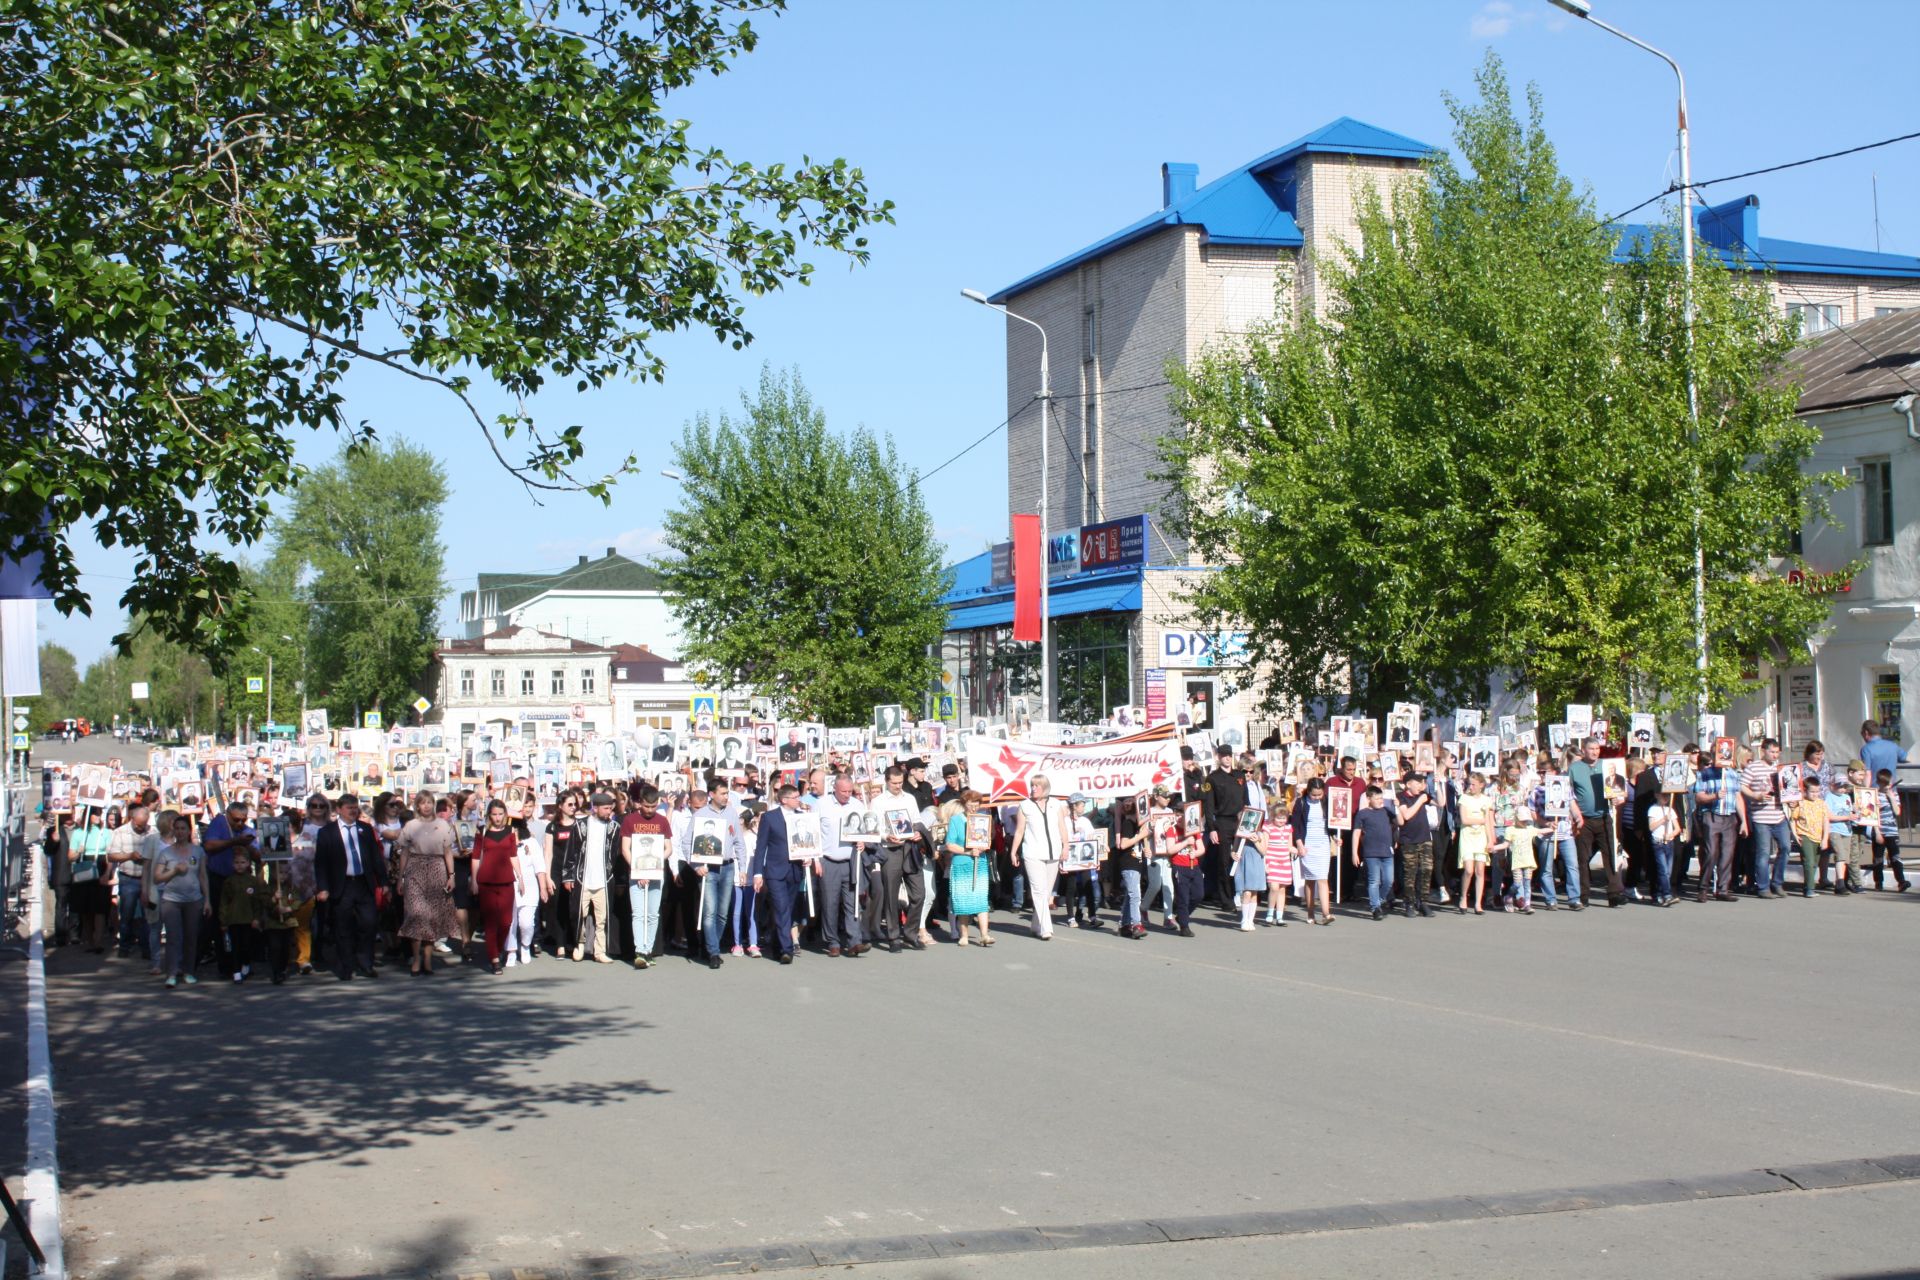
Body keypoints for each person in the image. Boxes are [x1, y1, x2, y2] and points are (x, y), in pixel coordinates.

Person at [313, 794, 389, 981]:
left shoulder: (365, 829)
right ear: (339, 809)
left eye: (355, 808)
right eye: (349, 808)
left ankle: (366, 963)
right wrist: (322, 887)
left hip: (363, 883)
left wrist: (383, 882)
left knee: (369, 924)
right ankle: (346, 966)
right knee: (343, 927)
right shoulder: (327, 832)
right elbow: (320, 863)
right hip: (342, 885)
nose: (353, 811)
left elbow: (375, 857)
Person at [396, 790, 458, 976]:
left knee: (431, 917)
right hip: (415, 869)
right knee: (416, 915)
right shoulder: (411, 825)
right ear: (417, 806)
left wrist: (451, 875)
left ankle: (428, 959)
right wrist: (401, 877)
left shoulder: (442, 825)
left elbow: (448, 852)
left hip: (437, 869)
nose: (426, 806)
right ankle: (416, 958)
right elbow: (405, 852)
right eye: (422, 803)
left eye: (429, 802)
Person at [684, 784, 746, 968]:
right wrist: (695, 866)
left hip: (727, 867)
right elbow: (687, 843)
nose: (727, 796)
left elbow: (739, 842)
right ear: (712, 794)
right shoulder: (700, 815)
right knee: (709, 912)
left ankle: (712, 946)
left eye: (727, 793)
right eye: (723, 793)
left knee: (722, 914)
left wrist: (742, 868)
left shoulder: (731, 813)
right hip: (708, 868)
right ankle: (713, 952)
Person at [749, 784, 811, 964]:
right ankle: (787, 949)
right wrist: (757, 873)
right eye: (796, 797)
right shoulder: (770, 818)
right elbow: (761, 847)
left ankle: (777, 945)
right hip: (775, 871)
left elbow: (808, 842)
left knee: (786, 910)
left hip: (794, 871)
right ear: (785, 800)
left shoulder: (802, 817)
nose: (799, 800)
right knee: (782, 907)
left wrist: (808, 857)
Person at [621, 785, 676, 968]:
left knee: (653, 914)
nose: (650, 810)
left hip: (656, 873)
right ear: (639, 803)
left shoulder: (662, 821)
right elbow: (625, 849)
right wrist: (638, 871)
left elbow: (668, 848)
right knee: (638, 913)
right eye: (646, 806)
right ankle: (639, 951)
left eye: (653, 806)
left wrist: (654, 865)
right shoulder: (630, 820)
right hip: (636, 874)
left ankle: (648, 950)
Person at [810, 773, 865, 957]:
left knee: (852, 903)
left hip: (850, 861)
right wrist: (816, 859)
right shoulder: (821, 805)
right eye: (843, 791)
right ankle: (833, 941)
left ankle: (854, 941)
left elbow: (867, 831)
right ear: (835, 788)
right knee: (830, 903)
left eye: (850, 791)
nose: (847, 795)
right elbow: (813, 832)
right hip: (828, 861)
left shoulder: (858, 805)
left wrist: (863, 842)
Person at [153, 814, 209, 988]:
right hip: (171, 900)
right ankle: (171, 973)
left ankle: (189, 971)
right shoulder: (166, 852)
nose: (180, 832)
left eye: (183, 828)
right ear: (173, 830)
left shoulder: (198, 851)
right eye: (177, 828)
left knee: (191, 937)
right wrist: (174, 871)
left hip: (193, 900)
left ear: (189, 831)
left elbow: (202, 876)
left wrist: (207, 900)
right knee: (173, 938)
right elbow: (157, 878)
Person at [200, 800, 256, 973]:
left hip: (241, 881)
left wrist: (245, 844)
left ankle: (243, 963)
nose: (239, 823)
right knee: (220, 922)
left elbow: (259, 855)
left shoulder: (247, 832)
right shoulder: (219, 823)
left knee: (242, 924)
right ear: (228, 816)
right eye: (236, 820)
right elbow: (209, 845)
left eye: (243, 820)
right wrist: (233, 841)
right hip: (219, 879)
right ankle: (225, 963)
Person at [1011, 775, 1070, 940]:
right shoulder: (1024, 806)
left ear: (1045, 787)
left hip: (1053, 853)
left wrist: (1065, 846)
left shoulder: (1055, 804)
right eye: (1032, 785)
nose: (1033, 788)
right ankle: (1046, 927)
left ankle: (1036, 924)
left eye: (1037, 786)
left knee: (1045, 891)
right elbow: (1019, 831)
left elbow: (1062, 827)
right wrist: (1013, 851)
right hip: (1033, 853)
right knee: (1038, 890)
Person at [471, 799, 520, 972]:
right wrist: (475, 881)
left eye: (500, 814)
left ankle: (497, 950)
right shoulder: (482, 832)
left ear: (505, 815)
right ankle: (493, 958)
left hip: (507, 880)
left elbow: (513, 856)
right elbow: (476, 857)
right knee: (491, 922)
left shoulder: (510, 831)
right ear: (489, 815)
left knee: (506, 922)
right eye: (494, 814)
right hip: (486, 881)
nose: (498, 818)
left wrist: (520, 877)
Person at [1740, 738, 1792, 899]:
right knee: (1763, 852)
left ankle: (1777, 883)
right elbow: (1742, 786)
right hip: (1761, 816)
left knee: (1785, 847)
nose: (1775, 755)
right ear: (1763, 751)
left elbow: (1791, 785)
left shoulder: (1780, 768)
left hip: (1779, 814)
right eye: (1772, 752)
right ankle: (1763, 886)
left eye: (1777, 752)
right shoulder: (1753, 767)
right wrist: (1755, 795)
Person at [107, 803, 159, 959]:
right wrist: (130, 855)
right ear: (132, 819)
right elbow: (112, 855)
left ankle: (146, 947)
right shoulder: (120, 832)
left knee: (147, 915)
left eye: (144, 824)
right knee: (127, 914)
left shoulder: (153, 832)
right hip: (128, 877)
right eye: (139, 825)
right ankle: (124, 946)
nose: (142, 827)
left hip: (147, 878)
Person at [943, 791, 995, 946]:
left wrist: (984, 847)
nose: (974, 807)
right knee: (963, 900)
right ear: (964, 804)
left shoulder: (983, 819)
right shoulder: (955, 820)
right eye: (970, 804)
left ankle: (984, 934)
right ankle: (964, 935)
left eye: (976, 804)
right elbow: (950, 844)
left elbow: (988, 840)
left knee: (980, 898)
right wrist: (967, 851)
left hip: (979, 863)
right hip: (961, 863)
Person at [1691, 749, 1744, 903]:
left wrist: (1744, 822)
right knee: (1711, 853)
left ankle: (1723, 889)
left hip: (1729, 816)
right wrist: (1714, 796)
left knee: (1727, 854)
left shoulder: (1733, 774)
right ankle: (1703, 888)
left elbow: (1738, 797)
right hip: (1711, 815)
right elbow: (1699, 796)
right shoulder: (1705, 774)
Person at [218, 849, 269, 982]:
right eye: (236, 862)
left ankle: (246, 965)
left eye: (242, 862)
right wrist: (223, 921)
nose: (239, 865)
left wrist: (257, 918)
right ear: (232, 864)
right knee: (235, 946)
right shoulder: (229, 881)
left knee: (246, 945)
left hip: (248, 919)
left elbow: (257, 902)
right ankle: (236, 971)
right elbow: (224, 902)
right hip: (233, 919)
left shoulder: (252, 881)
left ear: (248, 864)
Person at [68, 807, 114, 954]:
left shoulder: (105, 833)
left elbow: (110, 855)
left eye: (100, 814)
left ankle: (99, 940)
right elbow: (70, 857)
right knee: (85, 908)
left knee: (99, 907)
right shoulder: (78, 833)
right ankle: (89, 941)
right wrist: (78, 852)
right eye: (95, 814)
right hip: (84, 869)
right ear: (88, 815)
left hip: (100, 866)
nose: (98, 817)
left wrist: (107, 873)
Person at [1394, 773, 1436, 919]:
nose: (1419, 785)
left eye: (1421, 782)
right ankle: (1409, 903)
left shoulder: (1423, 795)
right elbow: (1406, 816)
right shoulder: (1401, 797)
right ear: (1408, 784)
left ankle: (1423, 901)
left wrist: (1440, 784)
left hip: (1425, 838)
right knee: (1410, 873)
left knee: (1427, 869)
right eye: (1416, 782)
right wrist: (1420, 801)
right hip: (1409, 840)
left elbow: (1441, 803)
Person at [1351, 785, 1395, 921]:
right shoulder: (1363, 813)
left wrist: (1396, 807)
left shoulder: (1386, 811)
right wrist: (1354, 852)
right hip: (1371, 852)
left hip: (1387, 852)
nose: (1380, 801)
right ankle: (1375, 907)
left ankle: (1380, 899)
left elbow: (1398, 822)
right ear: (1369, 799)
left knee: (1389, 880)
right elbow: (1356, 833)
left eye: (1381, 798)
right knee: (1374, 880)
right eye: (1377, 798)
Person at [1455, 773, 1494, 915]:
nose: (1470, 787)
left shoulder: (1487, 800)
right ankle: (1463, 896)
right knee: (1469, 870)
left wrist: (1490, 840)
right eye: (1469, 784)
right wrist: (1481, 820)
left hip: (1481, 837)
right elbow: (1464, 820)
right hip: (1467, 837)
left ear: (1481, 785)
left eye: (1473, 784)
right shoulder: (1464, 798)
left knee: (1480, 871)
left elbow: (1490, 822)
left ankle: (1478, 903)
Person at [1110, 792, 1147, 939]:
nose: (1129, 803)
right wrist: (1140, 836)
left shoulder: (1137, 824)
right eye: (1126, 801)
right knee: (1135, 895)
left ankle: (1124, 925)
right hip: (1128, 863)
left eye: (1132, 801)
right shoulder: (1127, 823)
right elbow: (1124, 844)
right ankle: (1136, 924)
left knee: (1129, 895)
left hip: (1136, 863)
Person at [1789, 775, 1831, 898]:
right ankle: (1810, 889)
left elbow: (1826, 821)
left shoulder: (1822, 804)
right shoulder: (1801, 803)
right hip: (1805, 835)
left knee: (1814, 864)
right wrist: (1795, 834)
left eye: (1817, 791)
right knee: (1808, 861)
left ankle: (1807, 885)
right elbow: (1793, 819)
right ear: (1805, 791)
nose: (1815, 794)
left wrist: (1825, 839)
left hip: (1818, 837)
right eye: (1812, 792)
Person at [1859, 719, 1901, 791]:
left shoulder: (1866, 749)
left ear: (1866, 733)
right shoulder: (1893, 746)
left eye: (1861, 733)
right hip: (1891, 790)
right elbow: (1907, 758)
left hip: (1876, 792)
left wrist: (1866, 792)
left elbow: (1867, 773)